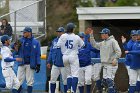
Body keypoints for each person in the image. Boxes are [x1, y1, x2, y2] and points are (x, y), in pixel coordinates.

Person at [86, 27, 122, 93]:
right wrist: (91, 36)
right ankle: (115, 91)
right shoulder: (102, 43)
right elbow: (94, 45)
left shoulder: (113, 41)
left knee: (109, 80)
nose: (101, 35)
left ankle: (113, 91)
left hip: (111, 64)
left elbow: (119, 51)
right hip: (105, 64)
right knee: (104, 81)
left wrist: (116, 59)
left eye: (102, 34)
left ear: (106, 34)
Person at [57, 23, 84, 93]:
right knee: (75, 74)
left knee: (69, 75)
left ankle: (68, 89)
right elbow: (83, 45)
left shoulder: (63, 36)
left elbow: (58, 45)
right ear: (72, 29)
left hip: (65, 56)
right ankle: (73, 90)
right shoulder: (76, 37)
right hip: (73, 56)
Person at [14, 26, 41, 93]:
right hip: (22, 63)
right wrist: (16, 45)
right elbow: (13, 46)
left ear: (29, 33)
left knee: (30, 81)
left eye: (25, 32)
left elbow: (38, 54)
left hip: (30, 64)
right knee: (18, 81)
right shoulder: (21, 40)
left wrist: (38, 64)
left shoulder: (36, 42)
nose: (23, 33)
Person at [46, 27, 67, 93]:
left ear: (64, 33)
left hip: (64, 65)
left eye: (60, 32)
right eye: (58, 32)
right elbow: (51, 51)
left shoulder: (67, 41)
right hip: (55, 64)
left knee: (65, 81)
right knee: (52, 80)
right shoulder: (54, 41)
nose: (59, 33)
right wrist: (49, 61)